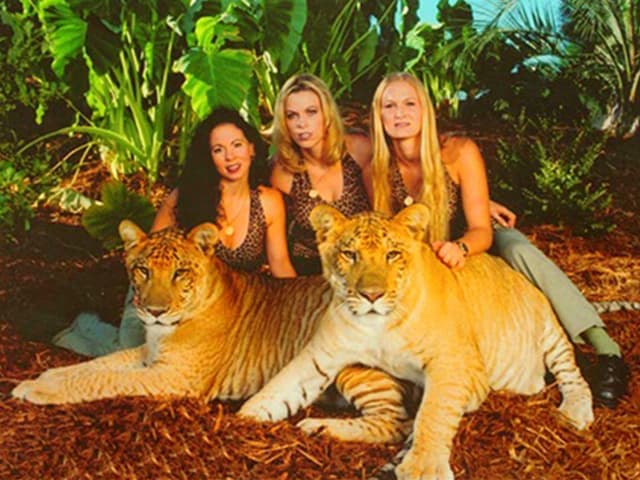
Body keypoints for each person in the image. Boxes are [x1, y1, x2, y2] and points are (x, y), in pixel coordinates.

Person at [367, 71, 629, 408]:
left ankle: (604, 348)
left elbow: (482, 229)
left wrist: (459, 247)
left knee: (517, 248)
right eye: (389, 106)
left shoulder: (458, 152)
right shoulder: (377, 168)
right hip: (427, 258)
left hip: (471, 237)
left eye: (409, 104)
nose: (399, 114)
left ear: (425, 110)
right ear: (379, 115)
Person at [53, 108, 296, 356]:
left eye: (237, 145)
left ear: (252, 149)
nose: (230, 157)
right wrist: (142, 296)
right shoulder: (185, 197)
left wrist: (302, 305)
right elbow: (146, 255)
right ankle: (81, 331)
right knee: (140, 351)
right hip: (158, 292)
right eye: (218, 150)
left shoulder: (268, 202)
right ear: (209, 157)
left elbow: (280, 266)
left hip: (226, 304)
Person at [270, 73, 371, 275]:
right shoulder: (282, 173)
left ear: (327, 116)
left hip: (363, 267)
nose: (302, 124)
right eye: (292, 115)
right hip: (309, 272)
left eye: (311, 112)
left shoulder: (359, 150)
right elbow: (278, 252)